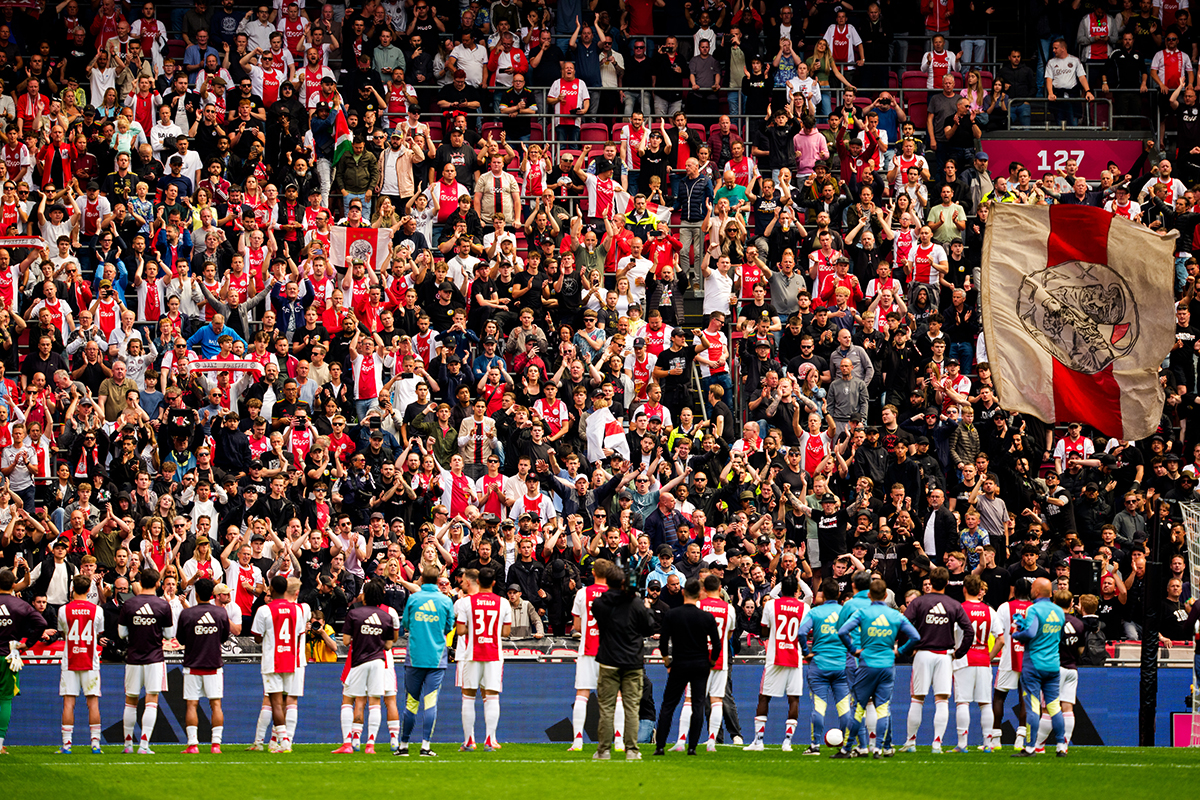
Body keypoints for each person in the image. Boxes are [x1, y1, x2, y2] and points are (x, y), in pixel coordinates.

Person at [833, 578, 921, 758]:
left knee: (859, 708)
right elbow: (915, 637)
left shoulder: (863, 613)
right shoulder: (895, 614)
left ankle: (847, 749)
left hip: (867, 663)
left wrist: (853, 650)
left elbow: (842, 631)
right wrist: (900, 651)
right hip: (887, 664)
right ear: (886, 595)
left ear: (869, 595)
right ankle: (880, 748)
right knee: (883, 708)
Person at [901, 566, 973, 753]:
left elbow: (903, 625)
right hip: (944, 656)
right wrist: (959, 653)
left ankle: (910, 743)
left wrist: (907, 649)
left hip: (923, 654)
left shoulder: (919, 602)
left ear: (930, 582)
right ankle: (937, 744)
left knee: (917, 699)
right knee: (941, 700)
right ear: (947, 583)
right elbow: (969, 631)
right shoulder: (953, 604)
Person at [592, 563, 658, 760]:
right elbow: (649, 628)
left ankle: (603, 750)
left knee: (607, 708)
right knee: (631, 707)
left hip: (609, 659)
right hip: (632, 661)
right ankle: (632, 750)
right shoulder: (635, 603)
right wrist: (648, 609)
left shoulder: (600, 603)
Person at [653, 577, 720, 756]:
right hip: (700, 664)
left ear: (683, 592)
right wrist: (711, 662)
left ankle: (660, 746)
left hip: (680, 663)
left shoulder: (672, 614)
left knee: (668, 704)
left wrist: (667, 660)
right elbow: (717, 644)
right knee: (698, 704)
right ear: (699, 594)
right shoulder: (706, 616)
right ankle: (692, 747)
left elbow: (663, 641)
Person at [744, 576, 807, 752]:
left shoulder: (771, 605)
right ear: (797, 591)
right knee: (793, 698)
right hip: (794, 656)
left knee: (764, 696)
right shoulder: (804, 607)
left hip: (774, 656)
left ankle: (758, 741)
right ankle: (787, 742)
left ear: (781, 589)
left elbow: (764, 630)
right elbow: (806, 632)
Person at [333, 579, 396, 755]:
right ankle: (370, 745)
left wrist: (361, 636)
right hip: (378, 662)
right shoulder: (386, 616)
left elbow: (346, 641)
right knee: (375, 702)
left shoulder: (354, 613)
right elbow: (389, 645)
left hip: (358, 661)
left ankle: (348, 743)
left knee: (349, 699)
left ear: (365, 595)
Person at [398, 565, 455, 757]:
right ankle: (425, 746)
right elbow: (449, 627)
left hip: (414, 657)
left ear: (421, 579)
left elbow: (406, 623)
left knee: (411, 703)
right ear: (438, 580)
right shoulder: (445, 601)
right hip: (436, 659)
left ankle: (404, 746)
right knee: (430, 703)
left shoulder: (414, 598)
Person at [569, 559, 625, 751]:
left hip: (588, 649)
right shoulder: (618, 594)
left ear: (593, 573)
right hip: (611, 651)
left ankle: (577, 741)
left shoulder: (582, 593)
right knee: (617, 695)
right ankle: (619, 741)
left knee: (582, 694)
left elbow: (577, 626)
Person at [454, 567, 512, 752]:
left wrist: (473, 628)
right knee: (492, 696)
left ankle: (469, 741)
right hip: (493, 654)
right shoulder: (503, 603)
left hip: (472, 654)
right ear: (494, 583)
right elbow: (506, 632)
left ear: (477, 581)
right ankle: (489, 740)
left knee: (468, 697)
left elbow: (460, 631)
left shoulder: (466, 602)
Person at [119, 566, 175, 754]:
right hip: (154, 659)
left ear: (140, 582)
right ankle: (143, 745)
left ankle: (128, 745)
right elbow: (169, 635)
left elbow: (121, 633)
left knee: (130, 700)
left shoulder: (129, 604)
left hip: (133, 657)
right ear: (158, 583)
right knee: (152, 700)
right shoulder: (163, 605)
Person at [1012, 577, 1069, 757]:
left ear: (1036, 592)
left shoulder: (1033, 609)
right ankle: (1061, 746)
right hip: (1053, 664)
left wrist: (1016, 634)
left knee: (1033, 706)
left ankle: (1030, 747)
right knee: (1054, 706)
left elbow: (1030, 633)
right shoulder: (1059, 611)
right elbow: (1060, 636)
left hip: (1034, 664)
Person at [250, 574, 307, 753]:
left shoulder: (264, 610)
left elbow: (257, 637)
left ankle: (283, 742)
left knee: (274, 702)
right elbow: (299, 633)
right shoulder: (297, 610)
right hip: (291, 660)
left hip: (272, 661)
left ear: (271, 589)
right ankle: (279, 741)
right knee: (287, 702)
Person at [176, 576, 231, 754]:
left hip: (192, 665)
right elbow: (224, 637)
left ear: (196, 594)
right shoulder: (221, 613)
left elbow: (180, 639)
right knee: (216, 704)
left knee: (192, 704)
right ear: (212, 594)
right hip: (213, 665)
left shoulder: (187, 614)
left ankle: (193, 745)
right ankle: (216, 745)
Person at [797, 578, 851, 755]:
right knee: (844, 707)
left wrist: (806, 652)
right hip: (842, 665)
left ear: (823, 595)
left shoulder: (815, 612)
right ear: (839, 594)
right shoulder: (845, 612)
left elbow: (801, 632)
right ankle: (846, 747)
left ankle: (815, 746)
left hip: (819, 665)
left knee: (819, 707)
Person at [57, 574, 104, 754]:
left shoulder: (63, 610)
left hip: (70, 660)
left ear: (72, 589)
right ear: (88, 589)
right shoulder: (97, 610)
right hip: (90, 661)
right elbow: (97, 633)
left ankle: (67, 744)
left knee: (69, 703)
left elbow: (63, 632)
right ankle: (95, 744)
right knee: (93, 703)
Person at [953, 574, 997, 752]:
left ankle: (962, 744)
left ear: (964, 589)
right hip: (983, 660)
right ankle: (988, 743)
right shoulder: (989, 610)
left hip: (963, 659)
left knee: (963, 702)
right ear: (980, 590)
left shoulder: (959, 609)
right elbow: (1001, 639)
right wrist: (989, 656)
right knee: (985, 703)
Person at [991, 576, 1033, 750]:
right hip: (1029, 661)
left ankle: (995, 738)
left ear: (1014, 590)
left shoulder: (1004, 607)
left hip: (1009, 659)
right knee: (1024, 698)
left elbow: (998, 633)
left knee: (999, 697)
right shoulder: (1035, 608)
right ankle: (1020, 739)